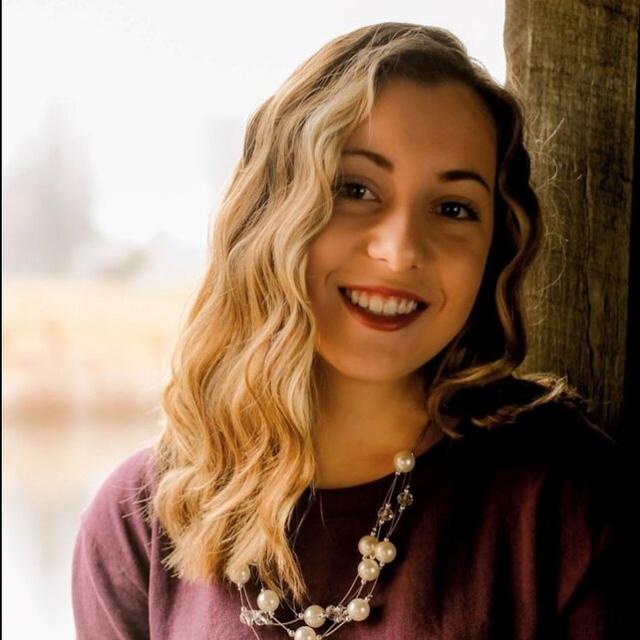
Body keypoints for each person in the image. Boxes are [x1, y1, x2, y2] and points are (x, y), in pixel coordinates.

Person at [71, 22, 628, 639]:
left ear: (494, 249)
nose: (399, 250)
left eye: (453, 208)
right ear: (272, 212)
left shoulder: (561, 499)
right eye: (355, 189)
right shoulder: (139, 521)